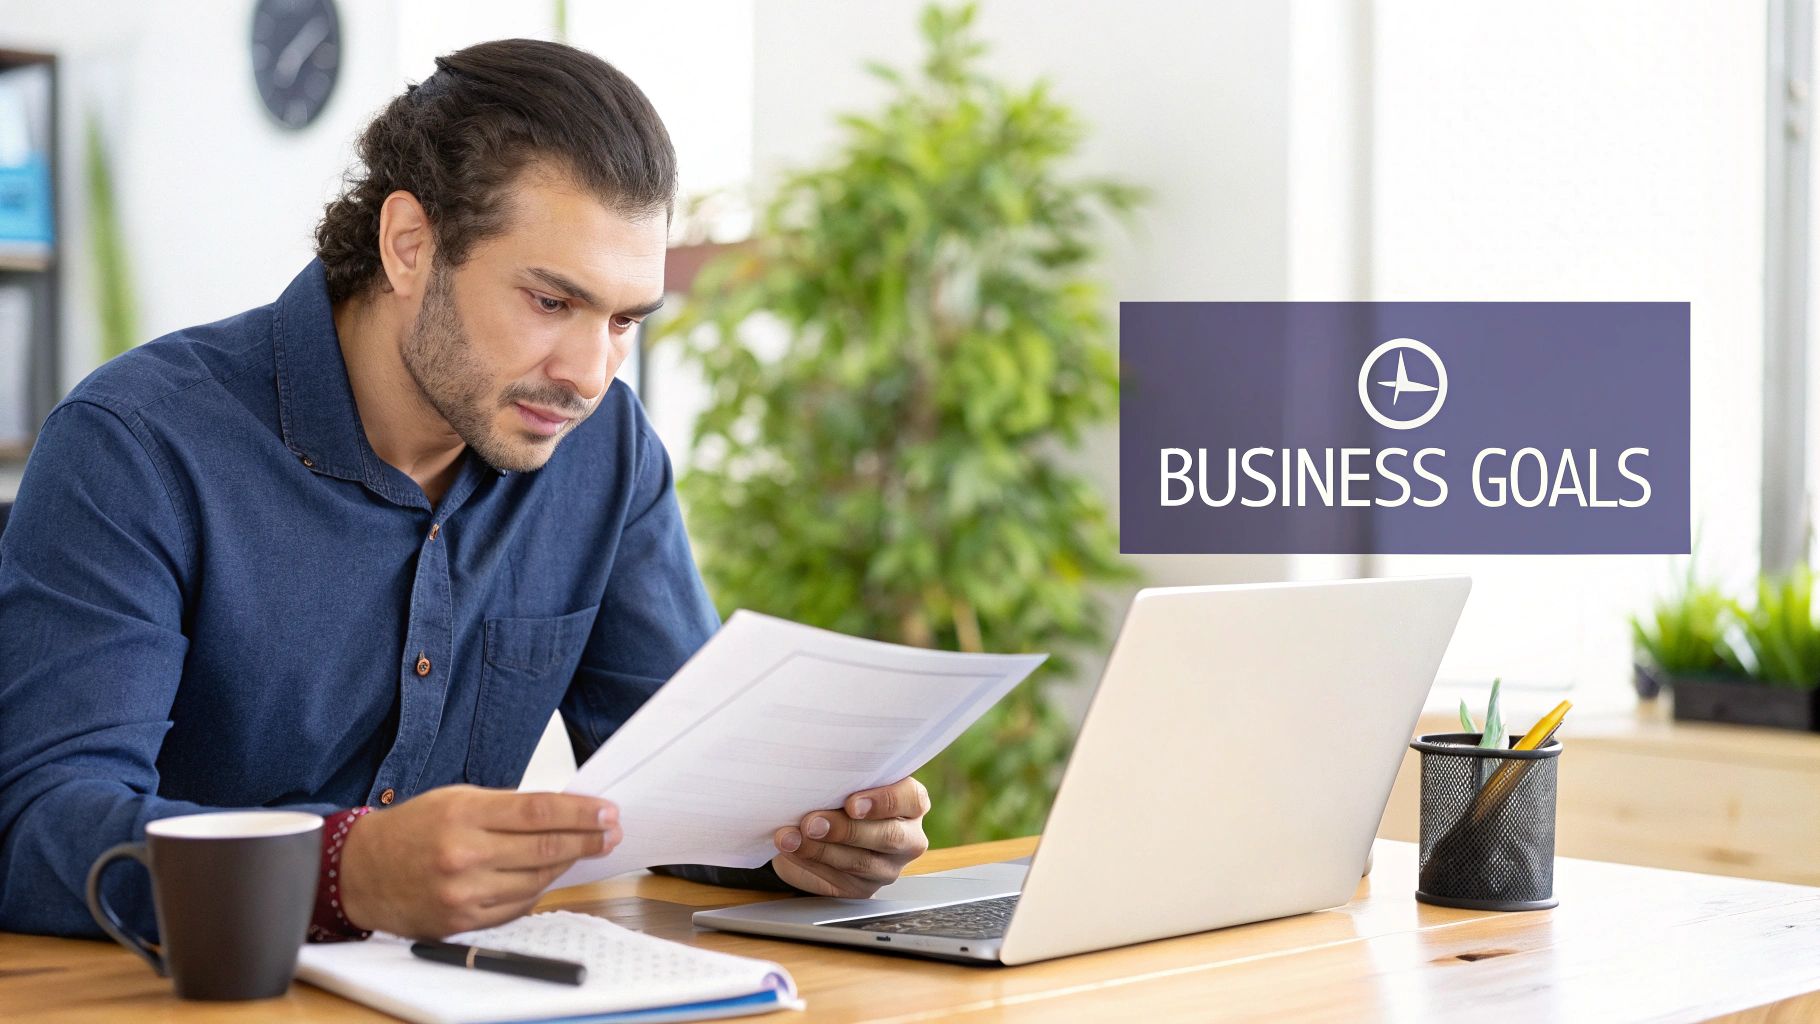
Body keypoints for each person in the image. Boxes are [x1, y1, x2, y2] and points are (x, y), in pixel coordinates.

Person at [0, 38, 930, 942]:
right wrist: (343, 870)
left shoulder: (604, 451)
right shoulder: (138, 445)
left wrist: (799, 842)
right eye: (552, 302)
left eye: (624, 321)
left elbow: (684, 792)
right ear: (409, 244)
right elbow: (40, 827)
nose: (589, 373)